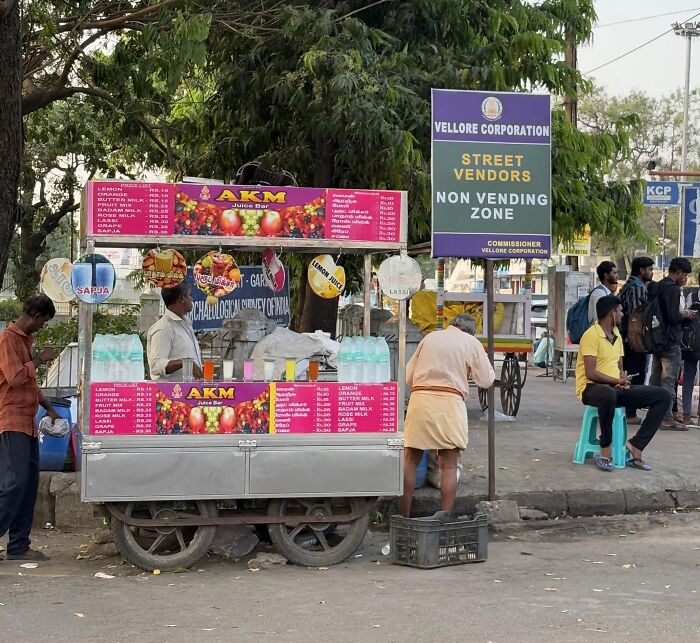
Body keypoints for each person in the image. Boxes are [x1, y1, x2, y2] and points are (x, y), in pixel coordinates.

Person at [400, 314, 495, 518]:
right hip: (450, 405)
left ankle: (403, 517)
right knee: (449, 466)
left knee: (409, 461)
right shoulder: (471, 342)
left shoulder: (430, 337)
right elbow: (486, 381)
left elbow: (408, 376)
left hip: (420, 400)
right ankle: (443, 519)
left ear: (453, 325)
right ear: (469, 330)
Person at [576, 295, 671, 472]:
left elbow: (619, 367)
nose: (622, 314)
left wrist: (622, 380)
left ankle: (636, 446)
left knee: (663, 396)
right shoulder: (591, 335)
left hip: (614, 388)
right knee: (608, 394)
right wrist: (615, 381)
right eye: (620, 311)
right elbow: (591, 373)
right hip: (590, 389)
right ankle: (605, 450)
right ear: (612, 312)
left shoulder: (617, 335)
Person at [0, 294, 60, 560]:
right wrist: (39, 360)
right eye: (43, 322)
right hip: (10, 420)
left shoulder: (25, 340)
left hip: (28, 422)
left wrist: (47, 406)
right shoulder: (7, 340)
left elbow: (29, 385)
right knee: (15, 483)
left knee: (28, 485)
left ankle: (19, 545)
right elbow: (14, 377)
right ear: (36, 317)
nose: (42, 327)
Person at [648, 257, 695, 430]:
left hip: (656, 340)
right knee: (668, 382)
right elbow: (673, 316)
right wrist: (685, 314)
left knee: (655, 380)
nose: (686, 279)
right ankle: (666, 418)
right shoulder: (673, 290)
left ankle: (653, 415)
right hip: (670, 341)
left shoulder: (658, 286)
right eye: (685, 275)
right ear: (679, 273)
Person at [618, 256, 654, 424]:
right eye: (649, 269)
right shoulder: (637, 288)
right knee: (635, 374)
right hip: (633, 339)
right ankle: (630, 413)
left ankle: (627, 410)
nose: (651, 272)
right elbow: (636, 316)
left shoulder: (628, 285)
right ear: (641, 270)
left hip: (626, 338)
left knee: (629, 372)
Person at [147, 283, 203, 381]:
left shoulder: (185, 323)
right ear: (181, 298)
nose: (192, 299)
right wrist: (184, 362)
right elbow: (155, 366)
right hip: (172, 394)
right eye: (189, 295)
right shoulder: (164, 328)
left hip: (191, 391)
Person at [681, 272, 700, 425]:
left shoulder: (691, 297)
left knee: (688, 379)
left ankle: (686, 416)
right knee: (688, 378)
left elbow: (685, 318)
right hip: (693, 345)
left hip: (691, 344)